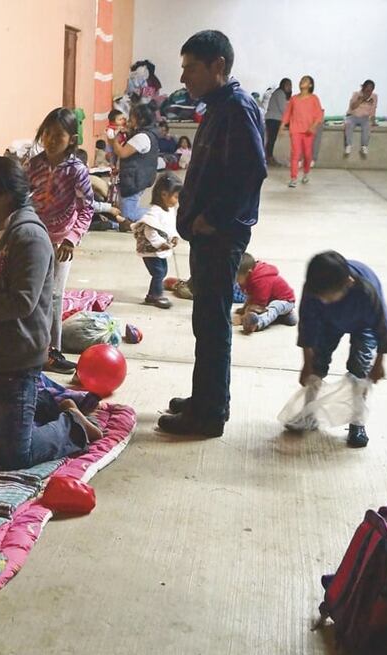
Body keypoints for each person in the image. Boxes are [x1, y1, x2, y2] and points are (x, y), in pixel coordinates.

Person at [0, 157, 103, 470]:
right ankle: (56, 404)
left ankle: (73, 426)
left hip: (13, 361)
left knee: (12, 454)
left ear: (5, 197)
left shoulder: (29, 238)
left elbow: (21, 302)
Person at [158, 29, 267, 438]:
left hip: (220, 237)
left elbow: (251, 170)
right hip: (207, 235)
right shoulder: (220, 106)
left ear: (217, 65)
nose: (183, 77)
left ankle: (208, 415)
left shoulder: (237, 108)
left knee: (213, 324)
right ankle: (207, 398)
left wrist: (214, 218)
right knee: (206, 322)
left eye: (190, 68)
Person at [295, 251, 387, 448]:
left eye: (328, 297)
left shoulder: (366, 291)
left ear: (348, 283)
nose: (323, 300)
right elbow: (306, 325)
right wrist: (307, 363)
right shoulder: (314, 288)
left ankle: (357, 422)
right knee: (317, 364)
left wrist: (379, 362)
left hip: (364, 325)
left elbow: (381, 326)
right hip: (328, 322)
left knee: (359, 369)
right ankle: (308, 414)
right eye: (319, 297)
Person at [27, 108, 95, 374]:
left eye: (58, 135)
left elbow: (86, 208)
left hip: (60, 242)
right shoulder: (33, 165)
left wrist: (71, 239)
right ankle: (32, 347)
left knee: (54, 296)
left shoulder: (76, 171)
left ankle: (53, 352)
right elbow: (22, 195)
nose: (51, 140)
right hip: (35, 236)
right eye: (47, 133)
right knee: (32, 293)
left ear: (72, 140)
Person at [131, 173, 182, 309]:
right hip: (150, 250)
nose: (177, 201)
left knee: (163, 271)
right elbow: (149, 231)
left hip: (160, 250)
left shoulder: (170, 210)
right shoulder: (155, 212)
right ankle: (156, 296)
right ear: (164, 194)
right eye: (176, 197)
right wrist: (160, 243)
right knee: (158, 273)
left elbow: (170, 226)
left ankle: (152, 294)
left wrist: (174, 236)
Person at [108, 104, 160, 226]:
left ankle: (158, 216)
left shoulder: (142, 137)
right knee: (125, 210)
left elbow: (122, 152)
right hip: (135, 178)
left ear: (141, 119)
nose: (128, 120)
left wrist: (113, 140)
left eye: (132, 117)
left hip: (135, 179)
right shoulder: (145, 134)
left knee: (128, 215)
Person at [234, 252, 296, 335]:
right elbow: (250, 296)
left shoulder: (261, 280)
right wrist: (243, 310)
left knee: (274, 307)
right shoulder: (247, 279)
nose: (235, 281)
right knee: (268, 309)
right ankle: (283, 316)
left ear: (248, 273)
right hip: (268, 301)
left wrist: (242, 318)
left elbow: (259, 305)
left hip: (285, 300)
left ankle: (256, 324)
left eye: (237, 278)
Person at [280, 75, 323, 187]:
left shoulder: (314, 98)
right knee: (295, 153)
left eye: (305, 81)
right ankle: (293, 178)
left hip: (308, 131)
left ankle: (306, 173)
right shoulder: (294, 99)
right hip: (295, 130)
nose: (302, 82)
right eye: (301, 80)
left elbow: (319, 115)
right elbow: (287, 113)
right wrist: (282, 126)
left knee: (307, 155)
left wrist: (313, 126)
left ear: (310, 85)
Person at [344, 80, 377, 157]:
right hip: (353, 116)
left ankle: (364, 146)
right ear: (363, 88)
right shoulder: (356, 94)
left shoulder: (374, 97)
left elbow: (373, 110)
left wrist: (373, 121)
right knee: (349, 124)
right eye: (367, 90)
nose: (369, 92)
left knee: (367, 126)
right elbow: (352, 107)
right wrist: (361, 99)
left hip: (364, 117)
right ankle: (348, 145)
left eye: (371, 90)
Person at [264, 78, 292, 165]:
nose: (290, 87)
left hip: (273, 119)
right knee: (271, 139)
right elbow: (284, 109)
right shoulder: (280, 93)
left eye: (290, 85)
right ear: (283, 85)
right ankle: (269, 157)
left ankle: (268, 157)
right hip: (274, 119)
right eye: (288, 85)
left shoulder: (279, 93)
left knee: (271, 139)